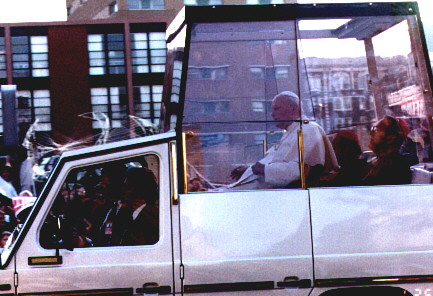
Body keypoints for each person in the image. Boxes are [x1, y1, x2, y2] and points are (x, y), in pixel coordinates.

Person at [229, 91, 339, 189]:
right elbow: (273, 162)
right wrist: (250, 170)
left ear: (293, 109)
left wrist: (263, 170)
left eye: (276, 109)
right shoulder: (290, 132)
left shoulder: (309, 129)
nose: (272, 114)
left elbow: (302, 171)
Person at [98, 167, 159, 246]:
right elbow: (109, 233)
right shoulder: (123, 212)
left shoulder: (152, 217)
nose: (122, 190)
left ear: (137, 189)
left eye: (126, 187)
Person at [363, 116, 411, 185]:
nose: (371, 133)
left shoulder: (397, 165)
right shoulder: (377, 161)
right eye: (372, 128)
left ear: (390, 139)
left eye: (376, 130)